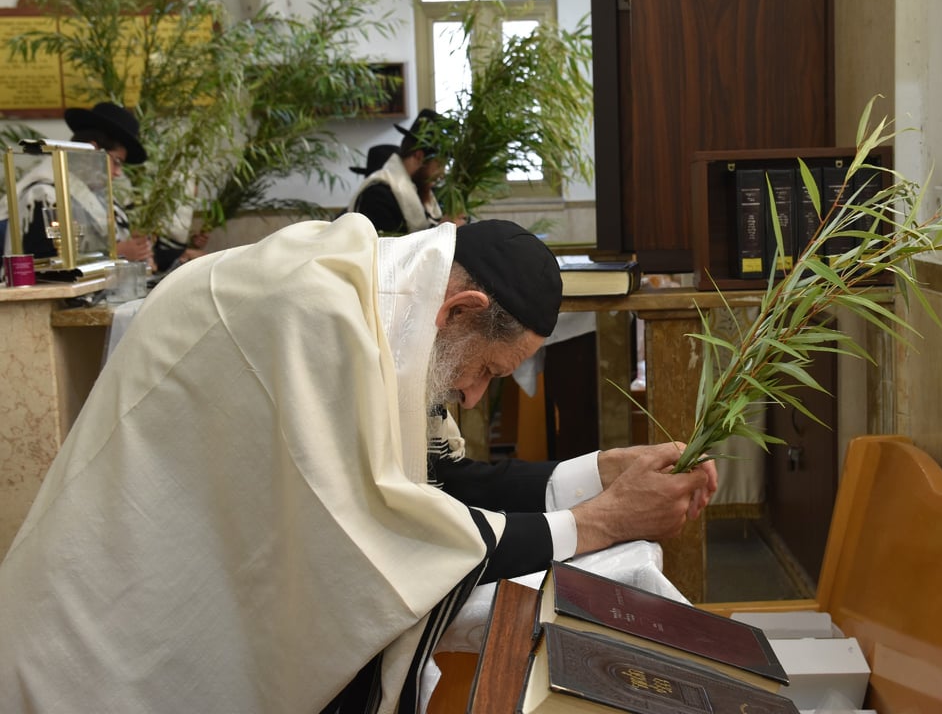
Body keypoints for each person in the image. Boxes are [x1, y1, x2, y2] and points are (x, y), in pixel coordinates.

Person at [0, 214, 717, 714]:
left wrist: (603, 471)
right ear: (460, 312)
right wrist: (598, 524)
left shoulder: (389, 307)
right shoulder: (318, 316)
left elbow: (429, 484)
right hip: (107, 638)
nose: (472, 396)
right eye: (489, 373)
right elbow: (381, 532)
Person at [3, 102, 155, 266]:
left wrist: (139, 250)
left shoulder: (101, 198)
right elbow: (45, 263)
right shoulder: (44, 196)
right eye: (116, 162)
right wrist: (117, 254)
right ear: (93, 152)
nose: (118, 173)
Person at [346, 108, 459, 234]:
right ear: (419, 156)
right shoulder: (378, 196)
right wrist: (441, 233)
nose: (442, 173)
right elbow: (388, 250)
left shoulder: (421, 192)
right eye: (439, 164)